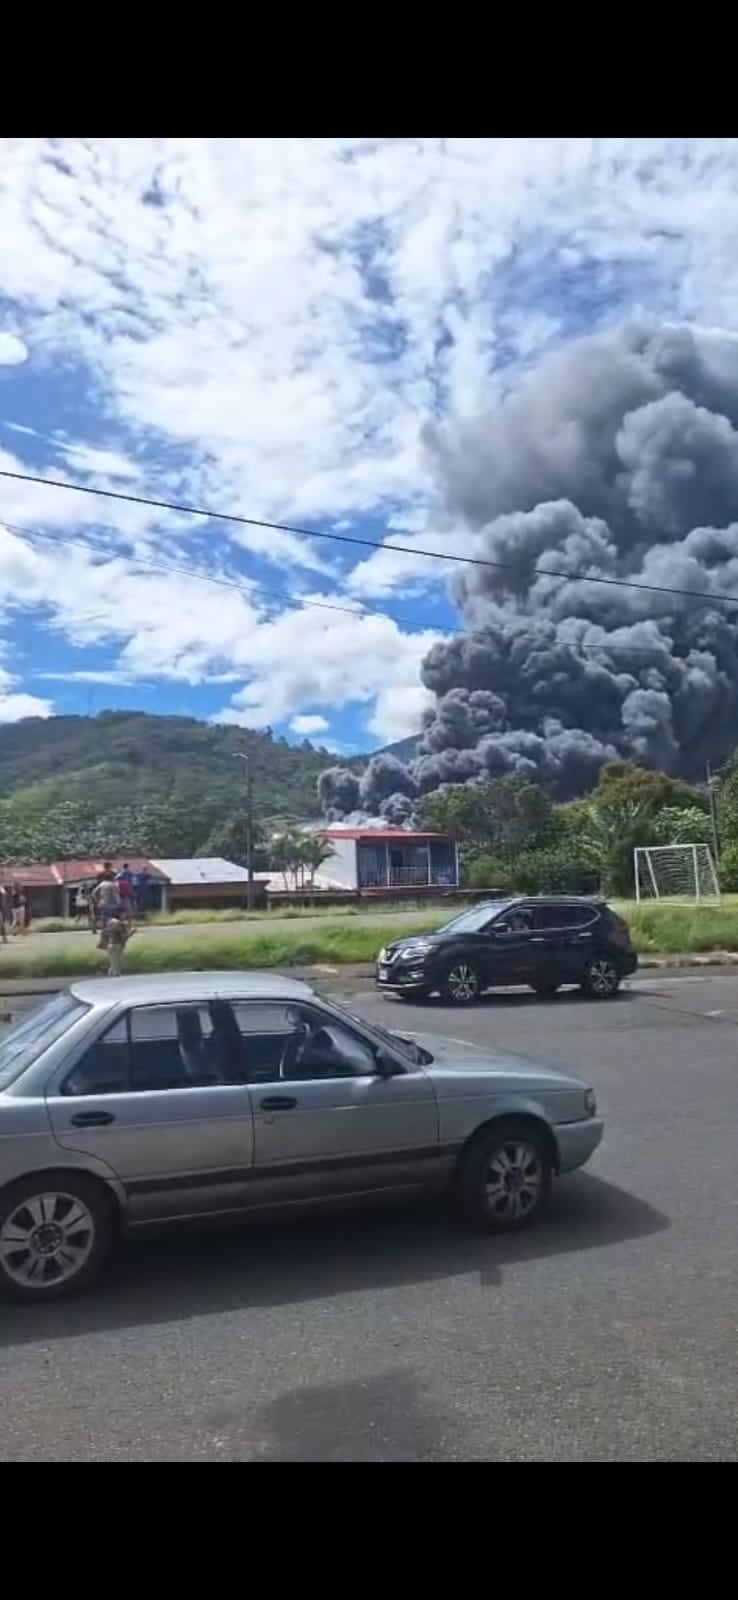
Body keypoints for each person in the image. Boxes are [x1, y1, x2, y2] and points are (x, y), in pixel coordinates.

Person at [91, 868, 120, 948]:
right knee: (113, 924)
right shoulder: (113, 885)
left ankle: (103, 942)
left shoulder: (102, 884)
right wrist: (119, 905)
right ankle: (113, 941)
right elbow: (116, 897)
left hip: (103, 906)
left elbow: (93, 893)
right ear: (112, 877)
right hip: (112, 907)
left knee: (104, 925)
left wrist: (98, 902)